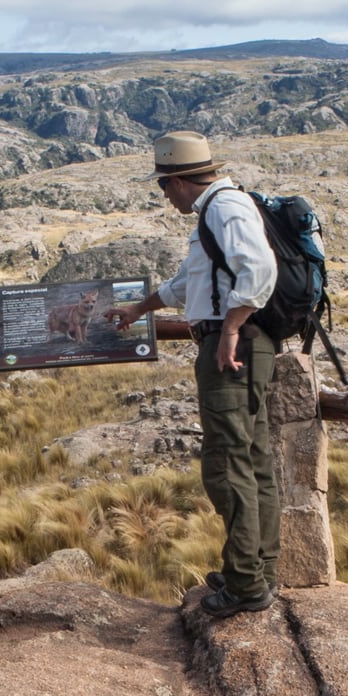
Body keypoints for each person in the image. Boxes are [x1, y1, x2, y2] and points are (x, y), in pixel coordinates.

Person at [109, 132, 280, 618]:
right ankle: (256, 569)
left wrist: (229, 329)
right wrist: (138, 309)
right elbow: (189, 283)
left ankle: (248, 584)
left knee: (228, 464)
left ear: (179, 179)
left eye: (164, 187)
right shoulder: (216, 209)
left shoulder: (223, 207)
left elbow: (258, 269)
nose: (165, 196)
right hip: (239, 344)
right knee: (251, 457)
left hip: (233, 348)